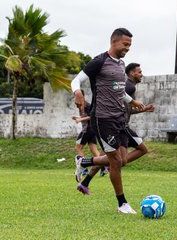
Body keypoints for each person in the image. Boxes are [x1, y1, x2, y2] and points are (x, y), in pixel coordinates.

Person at [71, 28, 144, 214]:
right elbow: (76, 81)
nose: (127, 48)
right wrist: (77, 92)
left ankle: (85, 162)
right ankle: (122, 204)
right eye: (125, 44)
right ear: (114, 42)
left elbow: (119, 91)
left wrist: (132, 101)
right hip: (102, 119)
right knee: (115, 162)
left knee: (122, 160)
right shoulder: (99, 61)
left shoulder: (121, 64)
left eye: (130, 45)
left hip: (119, 118)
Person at [76, 63, 154, 195]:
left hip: (120, 125)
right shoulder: (128, 86)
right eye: (139, 72)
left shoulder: (130, 87)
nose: (141, 75)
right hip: (119, 125)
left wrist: (144, 109)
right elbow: (119, 103)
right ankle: (87, 164)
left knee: (111, 157)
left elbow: (127, 109)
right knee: (133, 153)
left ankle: (85, 181)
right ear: (131, 73)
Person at [71, 90, 106, 182]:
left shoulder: (87, 105)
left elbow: (92, 116)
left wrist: (80, 119)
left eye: (77, 96)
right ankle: (102, 168)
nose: (76, 98)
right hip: (92, 130)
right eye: (75, 96)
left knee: (78, 148)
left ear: (82, 96)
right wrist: (78, 118)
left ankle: (84, 168)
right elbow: (85, 116)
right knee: (94, 150)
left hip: (87, 130)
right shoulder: (80, 105)